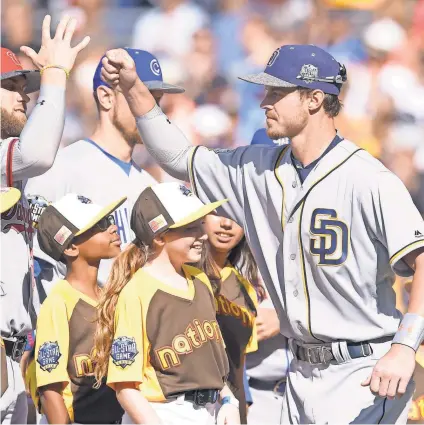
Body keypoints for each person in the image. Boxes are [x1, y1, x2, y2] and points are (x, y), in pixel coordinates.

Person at [100, 45, 424, 423]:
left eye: (276, 93)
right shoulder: (256, 168)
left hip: (363, 372)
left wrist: (405, 345)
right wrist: (135, 89)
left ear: (314, 99)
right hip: (299, 375)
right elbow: (176, 158)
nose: (264, 102)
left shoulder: (369, 179)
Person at [25, 47, 185, 297]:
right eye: (139, 95)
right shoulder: (60, 168)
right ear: (106, 97)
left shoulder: (151, 185)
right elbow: (37, 266)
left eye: (156, 100)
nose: (150, 108)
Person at [0, 16, 90, 424]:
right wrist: (54, 75)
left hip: (21, 355)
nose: (23, 97)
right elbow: (38, 152)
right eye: (11, 87)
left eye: (26, 89)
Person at [93, 182, 240, 425]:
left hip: (212, 409)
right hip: (163, 412)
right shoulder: (137, 292)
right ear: (160, 236)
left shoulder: (200, 279)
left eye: (201, 224)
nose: (202, 234)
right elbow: (125, 386)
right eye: (191, 227)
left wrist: (228, 400)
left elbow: (211, 362)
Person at [32, 193, 126, 424]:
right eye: (100, 225)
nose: (113, 228)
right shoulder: (58, 303)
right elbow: (49, 388)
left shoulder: (111, 296)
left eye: (110, 219)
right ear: (71, 246)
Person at [199, 212, 263, 424]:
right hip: (190, 406)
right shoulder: (182, 276)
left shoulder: (245, 289)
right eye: (217, 214)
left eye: (234, 215)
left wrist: (242, 405)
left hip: (231, 409)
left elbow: (238, 364)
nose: (226, 224)